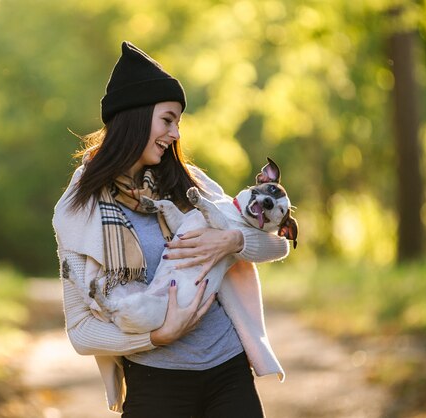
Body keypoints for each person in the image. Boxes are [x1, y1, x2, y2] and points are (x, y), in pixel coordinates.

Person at [52, 41, 289, 418]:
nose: (176, 133)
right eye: (168, 119)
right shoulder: (80, 209)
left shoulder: (189, 183)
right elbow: (80, 330)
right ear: (135, 117)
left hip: (228, 369)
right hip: (153, 381)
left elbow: (277, 246)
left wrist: (231, 240)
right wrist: (156, 336)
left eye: (178, 121)